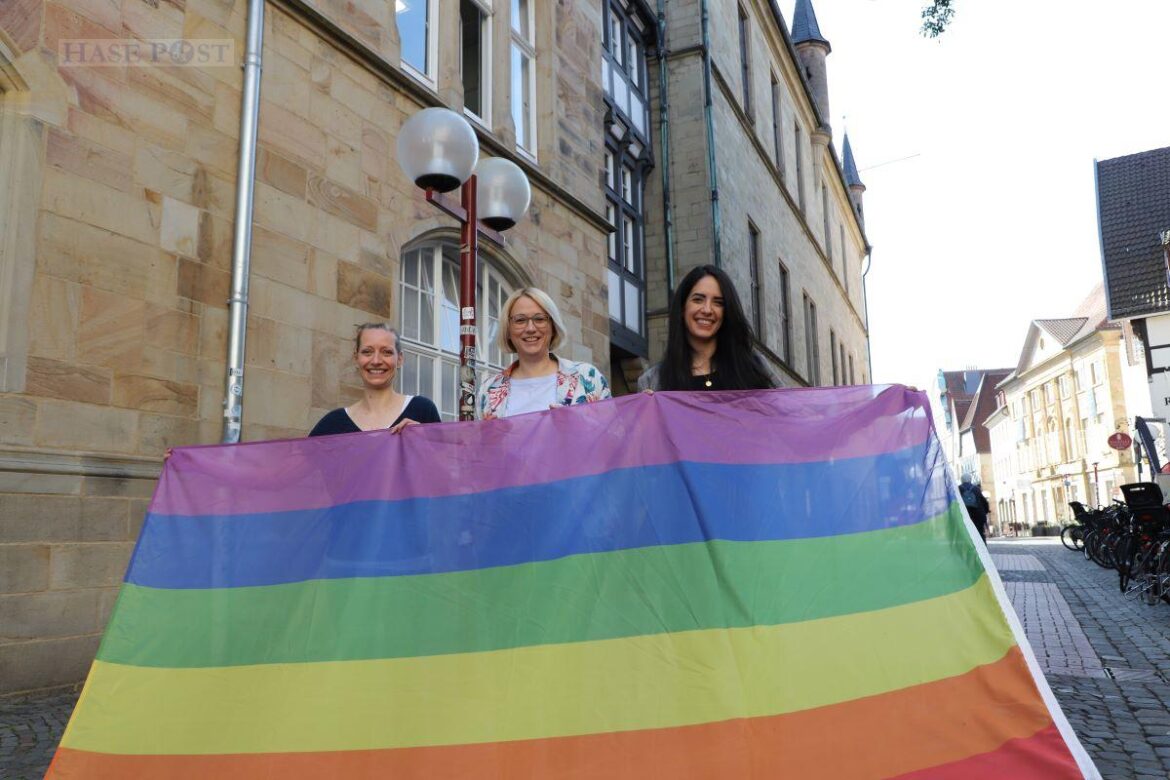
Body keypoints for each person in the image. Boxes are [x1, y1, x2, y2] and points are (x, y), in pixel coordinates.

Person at [478, 287, 611, 418]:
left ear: (553, 326)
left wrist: (576, 427)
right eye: (520, 320)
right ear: (508, 330)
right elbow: (472, 439)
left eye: (539, 319)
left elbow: (616, 435)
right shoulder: (489, 389)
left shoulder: (588, 377)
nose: (530, 328)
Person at [638, 264, 775, 392]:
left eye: (718, 302)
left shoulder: (754, 367)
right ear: (682, 308)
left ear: (727, 311)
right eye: (698, 300)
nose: (707, 310)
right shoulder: (653, 381)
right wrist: (646, 412)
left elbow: (787, 411)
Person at [309, 323, 440, 436]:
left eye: (386, 352)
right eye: (367, 352)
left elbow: (448, 461)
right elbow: (300, 462)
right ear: (356, 358)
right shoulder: (333, 423)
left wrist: (425, 440)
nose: (376, 361)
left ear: (400, 359)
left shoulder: (423, 410)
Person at [959, 474, 990, 542]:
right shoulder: (976, 489)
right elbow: (983, 502)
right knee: (980, 533)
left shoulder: (958, 489)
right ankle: (982, 548)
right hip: (977, 515)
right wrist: (986, 511)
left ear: (961, 480)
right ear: (970, 480)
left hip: (965, 516)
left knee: (966, 533)